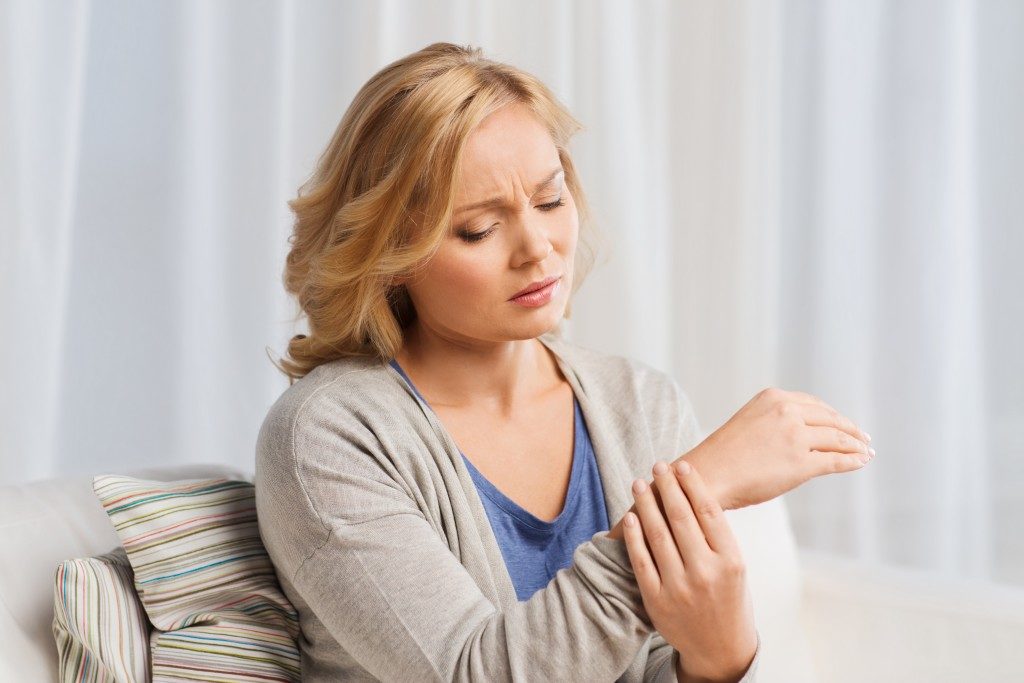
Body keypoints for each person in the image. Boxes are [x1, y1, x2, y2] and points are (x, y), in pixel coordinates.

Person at [255, 41, 874, 683]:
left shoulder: (641, 402)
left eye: (550, 201)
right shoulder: (327, 440)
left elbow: (662, 666)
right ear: (392, 252)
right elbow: (478, 672)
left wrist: (720, 660)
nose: (538, 248)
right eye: (478, 229)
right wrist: (696, 485)